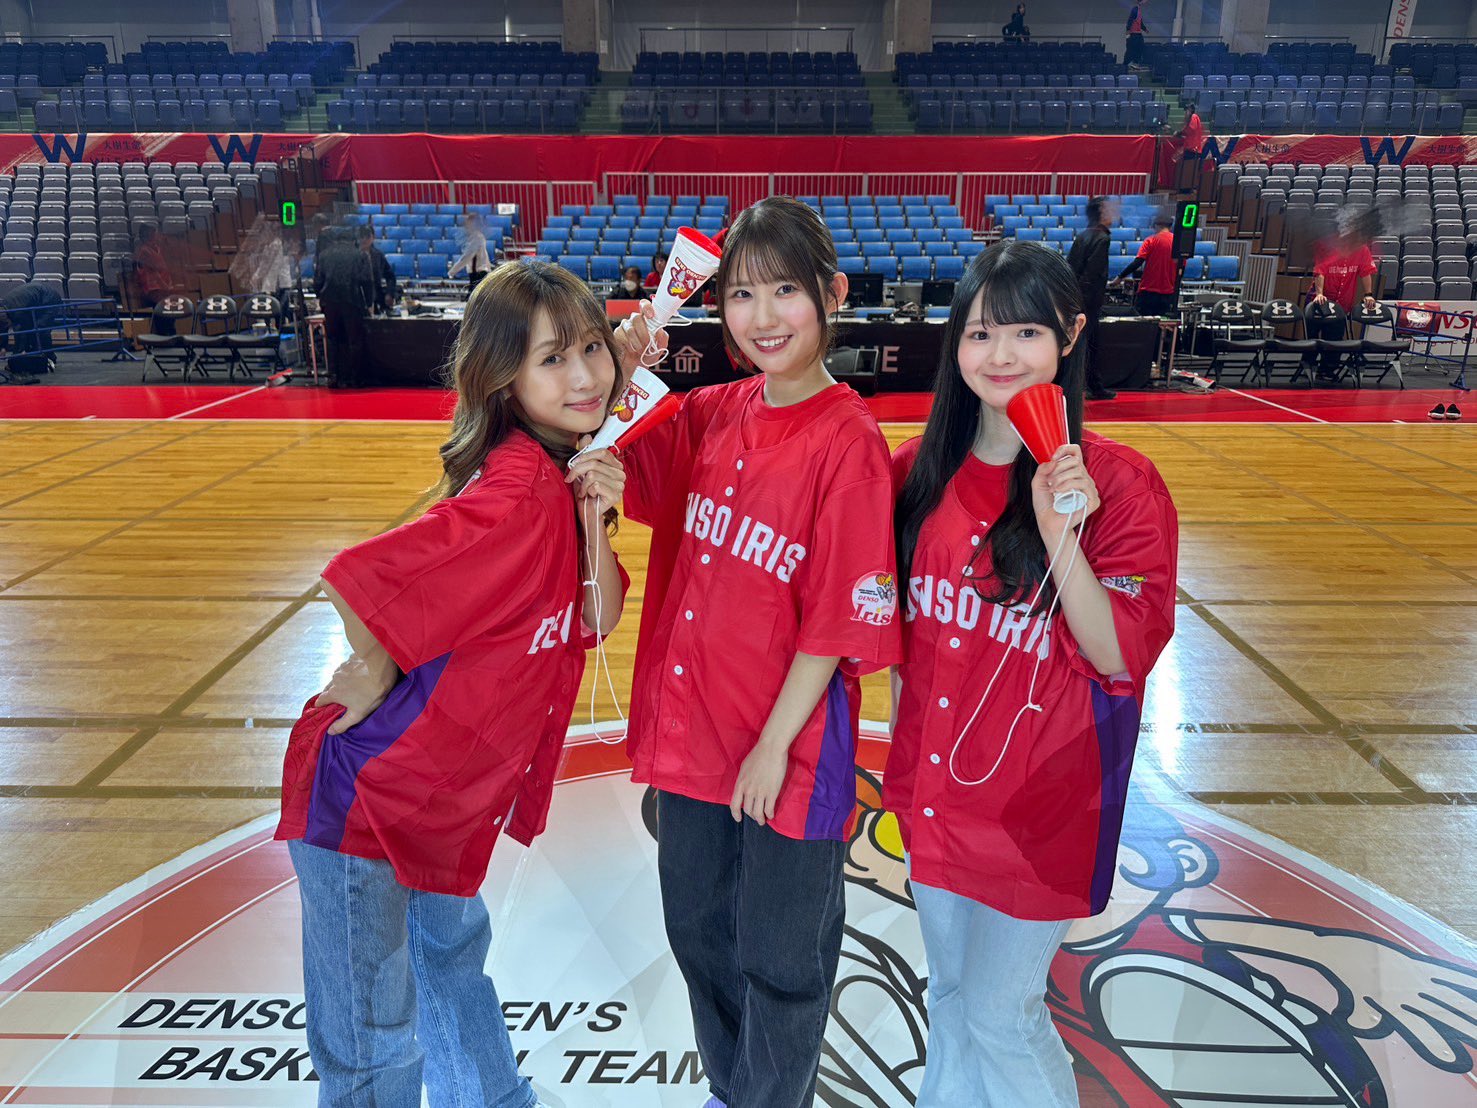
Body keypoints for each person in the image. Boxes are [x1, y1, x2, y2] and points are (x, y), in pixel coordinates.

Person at [275, 260, 631, 1108]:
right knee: (373, 1042)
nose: (584, 376)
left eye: (591, 348)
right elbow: (360, 574)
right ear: (502, 377)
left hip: (440, 801)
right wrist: (374, 663)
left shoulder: (558, 472)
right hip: (371, 800)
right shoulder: (516, 489)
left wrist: (594, 512)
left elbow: (596, 615)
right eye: (552, 359)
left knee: (449, 966)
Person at [615, 196, 903, 1108]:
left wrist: (773, 746)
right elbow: (617, 461)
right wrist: (620, 368)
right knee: (697, 929)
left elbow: (838, 619)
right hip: (694, 732)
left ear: (832, 294)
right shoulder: (711, 412)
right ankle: (734, 1089)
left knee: (781, 958)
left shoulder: (849, 442)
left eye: (785, 290)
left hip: (789, 747)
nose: (762, 316)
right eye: (740, 294)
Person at [887, 239, 1178, 1108]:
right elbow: (898, 638)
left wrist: (1058, 533)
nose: (1001, 356)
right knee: (948, 996)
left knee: (1000, 1012)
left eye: (1025, 333)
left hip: (1037, 808)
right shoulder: (915, 474)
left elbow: (1119, 653)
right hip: (933, 792)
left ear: (1071, 336)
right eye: (980, 334)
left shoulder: (1121, 487)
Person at [1308, 230, 1378, 382]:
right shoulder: (1326, 246)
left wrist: (1368, 294)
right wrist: (1320, 293)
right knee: (1312, 335)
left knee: (1335, 337)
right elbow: (1320, 271)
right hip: (1320, 300)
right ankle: (1307, 366)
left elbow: (1366, 272)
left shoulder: (1362, 249)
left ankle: (1327, 370)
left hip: (1342, 302)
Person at [1066, 196, 1117, 400]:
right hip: (1087, 302)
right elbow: (1092, 274)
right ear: (1102, 213)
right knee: (1090, 345)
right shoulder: (1102, 238)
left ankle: (1088, 385)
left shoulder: (1083, 235)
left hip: (1075, 298)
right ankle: (1094, 386)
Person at [314, 228, 371, 388]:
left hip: (330, 302)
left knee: (333, 339)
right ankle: (356, 378)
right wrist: (368, 303)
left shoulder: (324, 255)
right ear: (353, 241)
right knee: (355, 340)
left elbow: (317, 281)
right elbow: (367, 281)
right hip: (352, 300)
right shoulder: (360, 255)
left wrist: (320, 297)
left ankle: (334, 376)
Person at [1112, 213, 1181, 317]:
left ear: (1156, 225)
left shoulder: (1151, 240)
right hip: (1168, 293)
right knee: (1162, 323)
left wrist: (1120, 277)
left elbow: (1138, 262)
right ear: (1170, 227)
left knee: (1143, 323)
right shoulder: (1178, 243)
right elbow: (1181, 268)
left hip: (1148, 291)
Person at [0, 280, 64, 380]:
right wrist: (2, 347)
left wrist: (15, 356)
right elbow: (3, 329)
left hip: (49, 299)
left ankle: (49, 357)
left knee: (40, 328)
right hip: (37, 300)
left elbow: (21, 332)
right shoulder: (4, 310)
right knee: (32, 329)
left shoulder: (16, 312)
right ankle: (34, 357)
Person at [134, 225, 181, 335]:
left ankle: (171, 336)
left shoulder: (157, 248)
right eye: (155, 234)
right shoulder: (144, 251)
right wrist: (165, 286)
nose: (158, 236)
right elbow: (154, 274)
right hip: (155, 291)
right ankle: (165, 338)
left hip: (164, 289)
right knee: (163, 319)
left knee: (170, 317)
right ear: (149, 236)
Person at [358, 224, 399, 313]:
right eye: (362, 236)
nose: (364, 239)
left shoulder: (378, 255)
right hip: (358, 299)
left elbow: (390, 276)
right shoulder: (353, 256)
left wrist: (389, 293)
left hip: (376, 297)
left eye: (367, 236)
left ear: (373, 237)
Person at [449, 212, 493, 287]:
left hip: (478, 274)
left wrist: (452, 272)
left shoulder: (477, 238)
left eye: (468, 224)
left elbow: (467, 257)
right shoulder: (475, 237)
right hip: (477, 273)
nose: (466, 226)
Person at [1125, 1, 1148, 69]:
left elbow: (1140, 22)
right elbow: (1130, 19)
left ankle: (1135, 63)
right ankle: (1128, 63)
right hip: (1133, 33)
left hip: (1138, 33)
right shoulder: (1135, 9)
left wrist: (1145, 29)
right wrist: (1128, 30)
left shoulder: (1139, 10)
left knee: (1140, 47)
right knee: (1132, 49)